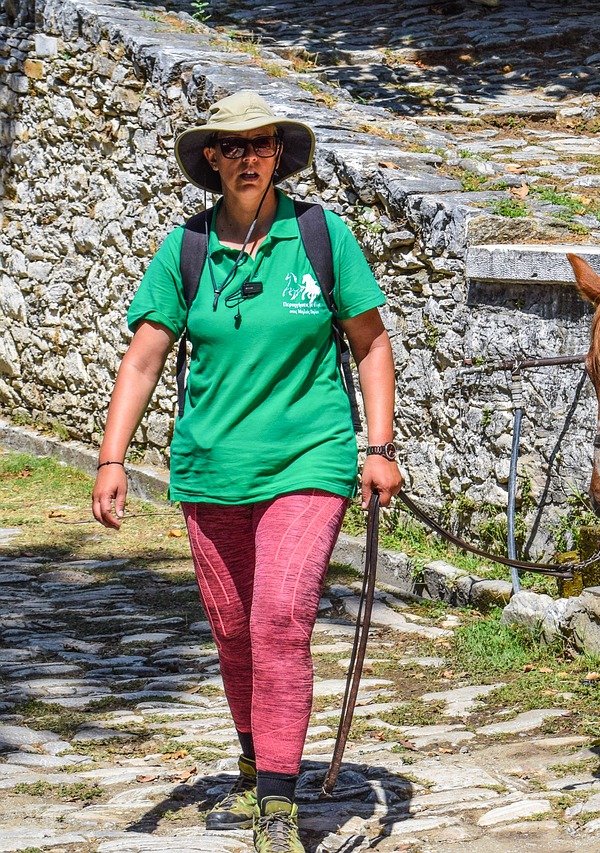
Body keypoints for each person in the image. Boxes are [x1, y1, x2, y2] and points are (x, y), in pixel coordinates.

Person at [91, 91, 403, 853]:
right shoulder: (185, 250)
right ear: (212, 160)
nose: (249, 158)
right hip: (210, 469)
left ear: (278, 154)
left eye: (262, 144)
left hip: (311, 458)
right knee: (234, 633)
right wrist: (112, 456)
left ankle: (276, 801)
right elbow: (144, 357)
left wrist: (379, 445)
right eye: (233, 147)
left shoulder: (321, 237)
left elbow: (370, 343)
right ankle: (253, 748)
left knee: (278, 619)